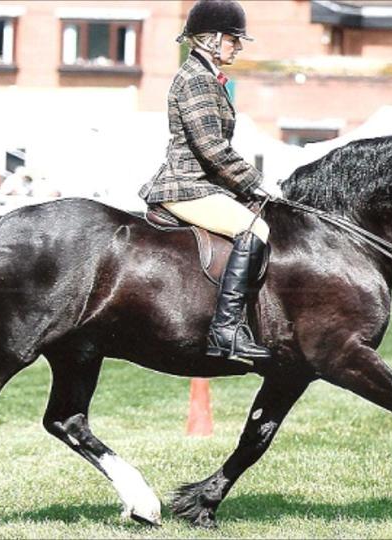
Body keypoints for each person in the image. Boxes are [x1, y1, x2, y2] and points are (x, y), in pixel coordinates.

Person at [138, 0, 271, 363]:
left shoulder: (207, 76)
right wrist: (253, 182)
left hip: (204, 184)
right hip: (185, 184)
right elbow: (211, 147)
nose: (238, 47)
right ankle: (225, 331)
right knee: (253, 230)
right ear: (211, 39)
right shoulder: (196, 79)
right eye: (232, 39)